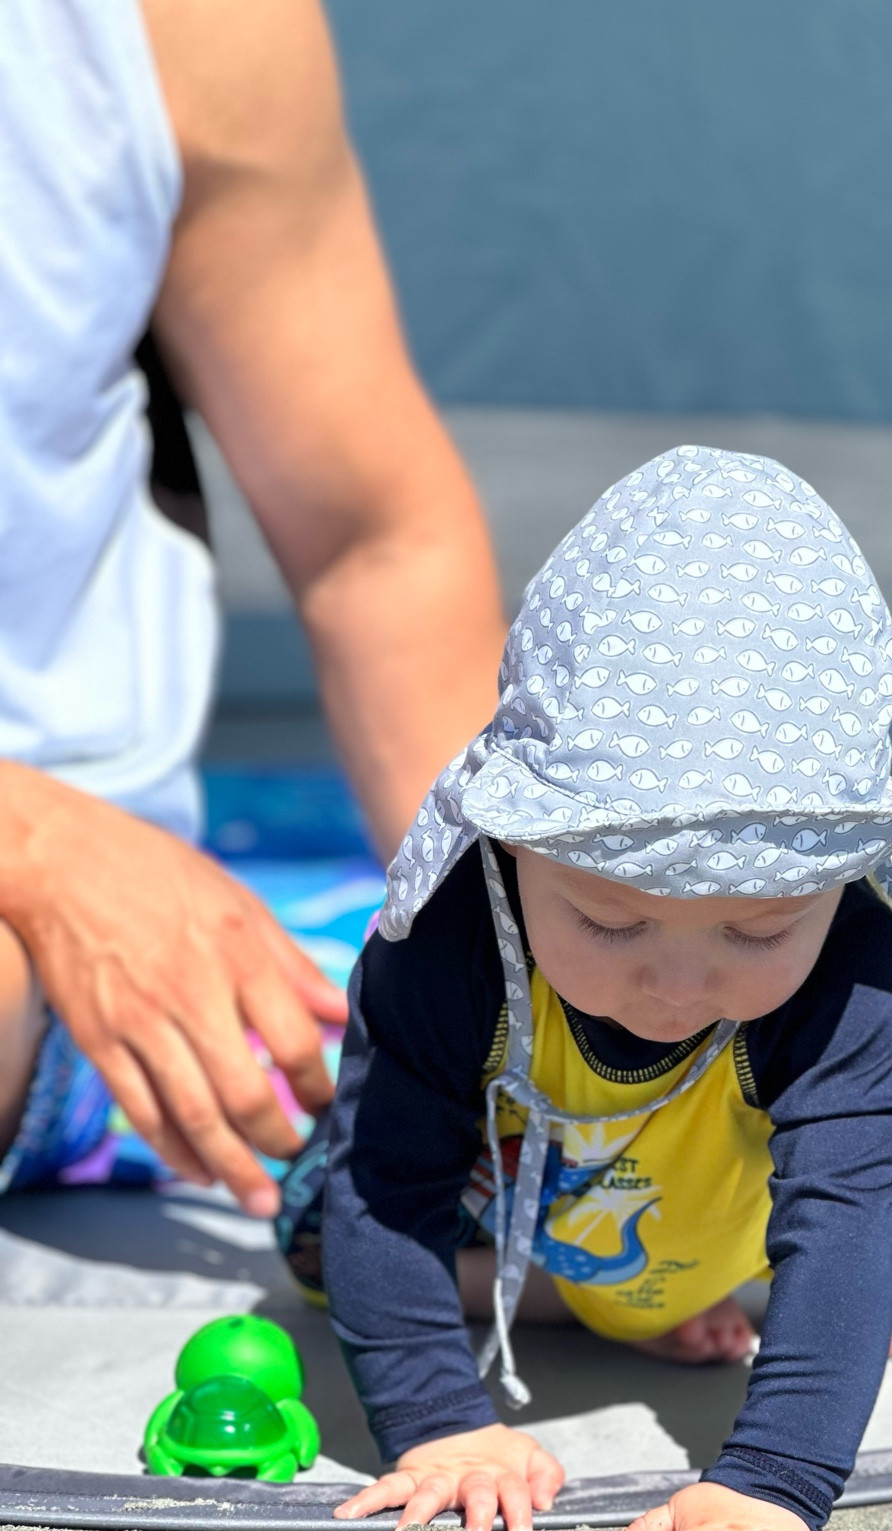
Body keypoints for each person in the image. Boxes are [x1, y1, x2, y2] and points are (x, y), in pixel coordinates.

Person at [312, 448, 892, 1531]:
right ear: (513, 843)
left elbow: (845, 1222)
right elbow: (384, 1183)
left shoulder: (848, 973)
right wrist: (439, 1421)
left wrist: (771, 1480)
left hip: (732, 1201)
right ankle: (610, 1299)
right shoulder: (450, 941)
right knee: (325, 1248)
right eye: (610, 919)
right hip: (537, 1186)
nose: (676, 983)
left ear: (842, 883)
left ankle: (681, 1282)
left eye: (757, 928)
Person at [0, 0, 505, 1217]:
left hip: (99, 953)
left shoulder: (190, 26)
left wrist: (554, 966)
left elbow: (371, 543)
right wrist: (38, 843)